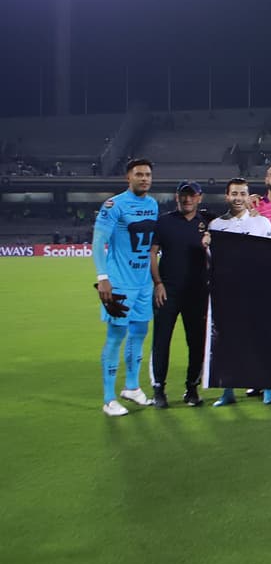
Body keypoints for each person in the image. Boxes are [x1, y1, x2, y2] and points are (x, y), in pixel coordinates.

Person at [94, 158, 161, 416]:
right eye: (139, 174)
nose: (144, 178)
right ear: (128, 178)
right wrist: (103, 277)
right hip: (120, 283)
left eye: (147, 175)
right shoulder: (114, 205)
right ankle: (109, 398)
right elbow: (98, 240)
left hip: (143, 283)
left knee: (139, 333)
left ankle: (132, 387)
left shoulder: (153, 204)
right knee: (116, 336)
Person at [206, 178, 271, 406]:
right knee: (227, 341)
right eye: (234, 193)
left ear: (248, 197)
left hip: (255, 290)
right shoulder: (216, 225)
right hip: (226, 291)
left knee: (259, 339)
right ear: (227, 196)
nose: (238, 198)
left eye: (242, 193)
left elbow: (268, 257)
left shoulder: (262, 223)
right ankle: (228, 391)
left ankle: (268, 388)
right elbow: (212, 261)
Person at [147, 181, 216, 409]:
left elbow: (234, 217)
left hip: (197, 292)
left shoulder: (208, 222)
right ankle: (159, 389)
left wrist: (252, 205)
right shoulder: (165, 222)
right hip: (168, 291)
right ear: (177, 197)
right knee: (161, 340)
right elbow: (153, 253)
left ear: (199, 198)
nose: (187, 200)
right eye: (183, 195)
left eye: (192, 196)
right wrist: (158, 283)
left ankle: (192, 388)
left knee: (196, 343)